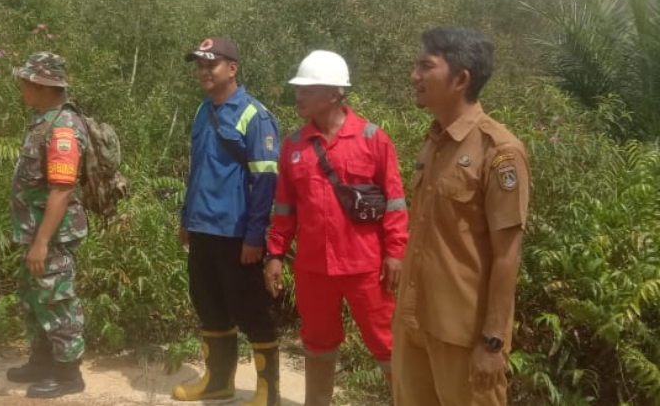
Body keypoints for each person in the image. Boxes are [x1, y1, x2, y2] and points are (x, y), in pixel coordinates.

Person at [391, 27, 530, 406]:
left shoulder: (499, 151)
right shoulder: (434, 141)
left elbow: (507, 254)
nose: (414, 76)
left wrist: (492, 342)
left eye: (425, 67)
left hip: (463, 336)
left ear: (461, 78)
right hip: (415, 324)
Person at [265, 50, 409, 406]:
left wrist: (395, 254)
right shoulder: (294, 146)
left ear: (334, 93)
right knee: (317, 344)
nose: (298, 95)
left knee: (388, 344)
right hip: (314, 269)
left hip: (367, 268)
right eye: (298, 89)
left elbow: (394, 202)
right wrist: (275, 254)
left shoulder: (373, 140)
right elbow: (284, 209)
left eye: (307, 89)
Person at [175, 37, 281, 406]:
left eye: (212, 64)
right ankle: (218, 382)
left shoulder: (255, 115)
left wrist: (255, 236)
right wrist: (186, 218)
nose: (204, 71)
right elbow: (197, 171)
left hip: (236, 233)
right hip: (203, 229)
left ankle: (268, 391)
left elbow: (266, 180)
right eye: (200, 65)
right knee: (208, 305)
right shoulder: (203, 111)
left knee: (250, 308)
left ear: (232, 69)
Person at [7, 52, 88, 399]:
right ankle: (41, 361)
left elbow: (61, 189)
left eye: (25, 81)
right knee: (35, 297)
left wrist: (42, 242)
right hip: (35, 231)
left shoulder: (63, 128)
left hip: (52, 234)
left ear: (41, 85)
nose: (21, 87)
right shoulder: (44, 120)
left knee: (56, 299)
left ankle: (68, 373)